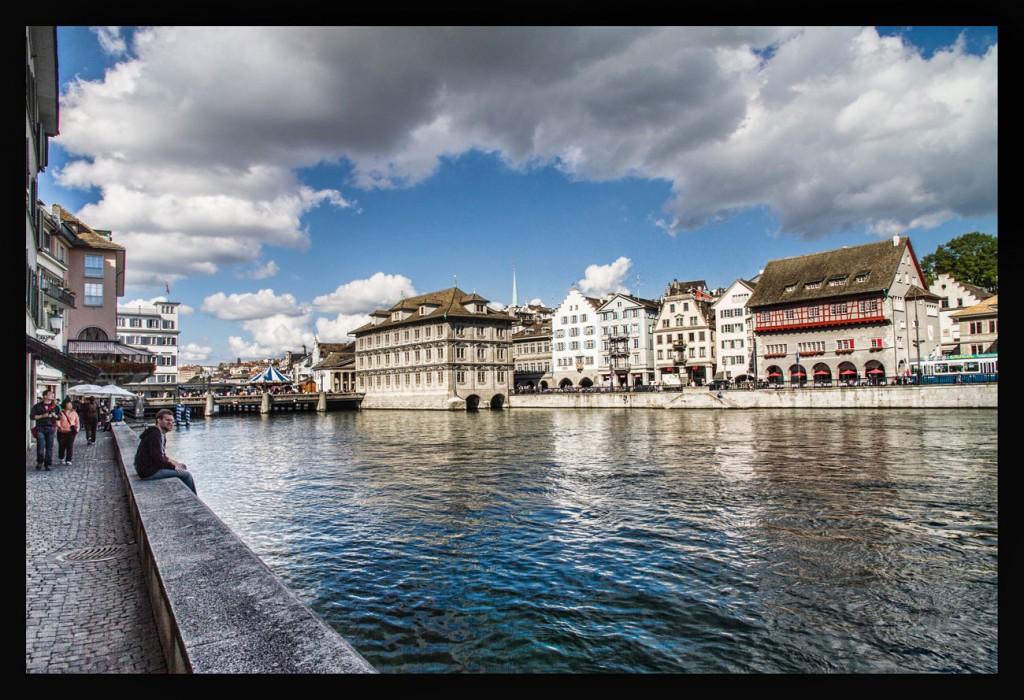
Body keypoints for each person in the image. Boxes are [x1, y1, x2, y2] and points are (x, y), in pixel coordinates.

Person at [134, 409, 197, 494]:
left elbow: (162, 455)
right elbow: (158, 458)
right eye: (167, 420)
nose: (170, 423)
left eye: (172, 421)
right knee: (186, 475)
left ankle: (186, 494)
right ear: (159, 420)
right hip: (149, 472)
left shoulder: (160, 434)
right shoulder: (155, 435)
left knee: (182, 467)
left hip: (149, 469)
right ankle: (193, 500)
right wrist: (174, 467)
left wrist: (176, 463)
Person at [31, 389, 61, 471]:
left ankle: (48, 464)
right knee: (40, 446)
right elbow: (32, 417)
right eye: (50, 394)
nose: (52, 395)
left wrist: (55, 416)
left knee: (49, 447)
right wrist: (42, 416)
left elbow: (59, 417)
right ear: (45, 396)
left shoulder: (55, 407)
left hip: (51, 428)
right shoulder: (37, 406)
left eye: (52, 394)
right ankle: (40, 462)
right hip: (40, 428)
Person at [56, 398, 81, 466]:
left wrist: (77, 430)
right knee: (62, 445)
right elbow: (57, 420)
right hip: (61, 432)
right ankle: (61, 458)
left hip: (71, 431)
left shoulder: (74, 412)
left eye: (71, 404)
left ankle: (68, 460)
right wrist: (59, 426)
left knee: (70, 445)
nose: (70, 405)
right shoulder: (60, 412)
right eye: (68, 404)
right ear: (65, 404)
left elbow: (77, 422)